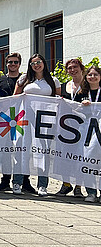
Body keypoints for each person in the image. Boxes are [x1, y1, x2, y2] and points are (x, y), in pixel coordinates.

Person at [12, 53, 61, 196]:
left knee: (43, 152)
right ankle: (17, 182)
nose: (36, 65)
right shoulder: (24, 79)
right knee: (22, 150)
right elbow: (15, 98)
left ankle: (42, 185)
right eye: (33, 63)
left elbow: (58, 100)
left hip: (45, 123)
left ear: (44, 63)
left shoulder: (53, 81)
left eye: (39, 62)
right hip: (25, 120)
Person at [57, 58, 86, 197]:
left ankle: (78, 187)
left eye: (75, 67)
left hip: (84, 127)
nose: (72, 70)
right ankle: (66, 184)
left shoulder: (89, 86)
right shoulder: (64, 86)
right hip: (66, 127)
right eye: (69, 68)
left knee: (81, 156)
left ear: (81, 68)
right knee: (65, 155)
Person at [0, 52, 23, 192]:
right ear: (6, 64)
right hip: (4, 121)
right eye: (10, 62)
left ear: (19, 64)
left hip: (22, 120)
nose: (12, 64)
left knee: (21, 151)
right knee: (6, 152)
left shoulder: (26, 79)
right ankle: (5, 180)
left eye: (15, 62)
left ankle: (24, 181)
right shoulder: (0, 80)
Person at [79, 66, 101, 202]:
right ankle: (91, 192)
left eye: (95, 74)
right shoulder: (82, 92)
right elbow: (72, 108)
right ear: (86, 77)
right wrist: (82, 105)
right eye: (90, 75)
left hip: (99, 132)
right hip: (86, 133)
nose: (92, 77)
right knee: (88, 161)